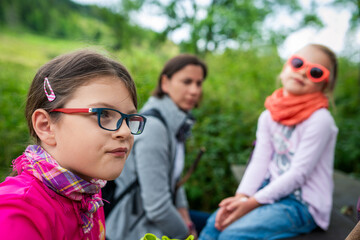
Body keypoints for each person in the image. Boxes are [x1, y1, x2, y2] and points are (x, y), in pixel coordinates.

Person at [0, 49, 146, 240]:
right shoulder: (17, 212)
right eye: (103, 114)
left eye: (129, 118)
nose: (125, 131)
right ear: (46, 126)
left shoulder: (89, 195)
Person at [199, 44, 339, 240]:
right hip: (268, 194)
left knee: (233, 234)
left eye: (316, 72)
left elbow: (299, 174)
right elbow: (260, 161)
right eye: (298, 63)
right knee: (214, 225)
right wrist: (241, 198)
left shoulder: (320, 120)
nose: (304, 72)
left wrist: (251, 203)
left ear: (324, 85)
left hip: (302, 204)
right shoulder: (269, 116)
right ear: (284, 70)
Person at [105, 54, 208, 240]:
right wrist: (187, 234)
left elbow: (174, 179)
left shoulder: (175, 124)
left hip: (153, 219)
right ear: (165, 83)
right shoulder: (154, 127)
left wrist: (186, 218)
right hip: (132, 227)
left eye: (199, 83)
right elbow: (157, 208)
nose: (194, 90)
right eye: (187, 82)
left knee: (214, 223)